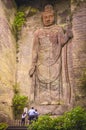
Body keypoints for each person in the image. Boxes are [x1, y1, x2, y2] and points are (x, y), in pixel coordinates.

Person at [29, 4, 72, 105]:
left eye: (50, 17)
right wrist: (33, 64)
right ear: (42, 18)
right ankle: (42, 100)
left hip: (55, 58)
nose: (48, 19)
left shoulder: (58, 29)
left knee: (55, 82)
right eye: (45, 17)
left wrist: (68, 34)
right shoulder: (38, 32)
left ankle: (56, 100)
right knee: (42, 83)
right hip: (41, 61)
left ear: (54, 17)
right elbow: (35, 49)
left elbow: (61, 42)